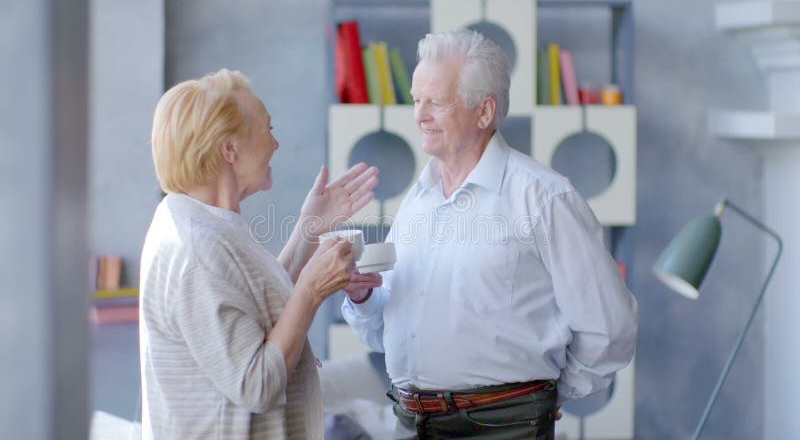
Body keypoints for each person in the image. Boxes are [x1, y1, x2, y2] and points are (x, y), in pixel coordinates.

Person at [342, 30, 638, 439]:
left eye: (437, 102)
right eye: (416, 99)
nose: (419, 114)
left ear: (484, 112)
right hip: (410, 422)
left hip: (504, 426)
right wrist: (363, 297)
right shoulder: (417, 201)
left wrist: (544, 396)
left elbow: (610, 326)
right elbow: (384, 332)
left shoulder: (544, 198)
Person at [139, 69, 381, 439]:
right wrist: (312, 290)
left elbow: (257, 306)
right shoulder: (196, 251)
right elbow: (257, 384)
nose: (276, 145)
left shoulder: (205, 221)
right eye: (268, 130)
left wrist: (310, 228)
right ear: (230, 149)